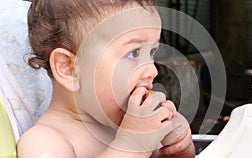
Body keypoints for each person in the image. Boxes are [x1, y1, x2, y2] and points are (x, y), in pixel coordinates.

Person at [17, 0, 195, 157]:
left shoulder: (130, 127)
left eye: (152, 52)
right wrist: (133, 145)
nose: (152, 70)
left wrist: (177, 149)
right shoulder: (46, 140)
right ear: (70, 69)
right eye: (133, 53)